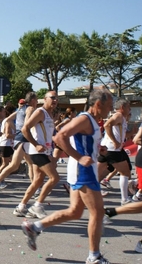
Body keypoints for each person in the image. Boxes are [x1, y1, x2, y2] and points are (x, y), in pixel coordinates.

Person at [21, 89, 113, 264]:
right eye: (109, 106)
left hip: (83, 169)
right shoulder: (84, 118)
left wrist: (97, 149)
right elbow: (60, 137)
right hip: (83, 170)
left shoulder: (92, 121)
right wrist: (79, 157)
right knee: (98, 212)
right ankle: (94, 256)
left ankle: (35, 227)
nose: (110, 110)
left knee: (75, 211)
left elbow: (81, 142)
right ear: (98, 104)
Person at [14, 91, 59, 219]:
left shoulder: (50, 115)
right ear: (44, 99)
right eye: (52, 97)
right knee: (54, 178)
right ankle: (37, 206)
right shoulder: (40, 112)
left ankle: (21, 207)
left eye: (57, 98)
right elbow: (25, 129)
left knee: (37, 181)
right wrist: (36, 144)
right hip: (37, 152)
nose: (55, 100)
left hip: (45, 151)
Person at [0, 92, 38, 199]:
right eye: (36, 100)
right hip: (24, 139)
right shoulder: (30, 109)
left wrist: (16, 128)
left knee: (29, 164)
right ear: (33, 100)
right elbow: (28, 123)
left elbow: (8, 119)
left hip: (19, 139)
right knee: (16, 165)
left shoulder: (19, 110)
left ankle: (35, 188)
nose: (37, 102)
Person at [98, 99, 132, 205]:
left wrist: (132, 133)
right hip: (112, 149)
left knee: (96, 174)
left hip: (108, 148)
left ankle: (81, 190)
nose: (130, 109)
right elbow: (107, 125)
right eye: (128, 107)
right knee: (125, 172)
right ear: (122, 107)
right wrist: (115, 141)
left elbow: (120, 134)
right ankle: (124, 199)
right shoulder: (118, 116)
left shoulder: (122, 118)